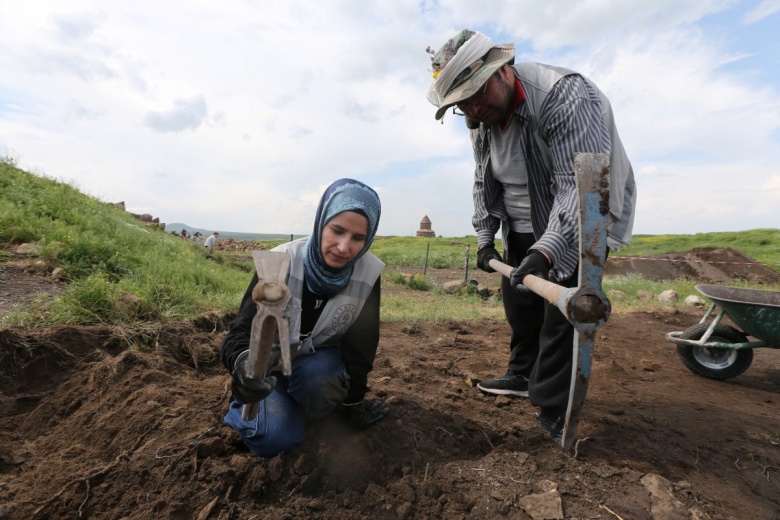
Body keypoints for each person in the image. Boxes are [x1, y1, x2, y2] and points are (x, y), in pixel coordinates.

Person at [425, 29, 637, 441]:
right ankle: (522, 374)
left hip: (582, 216)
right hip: (524, 221)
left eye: (475, 93)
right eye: (460, 104)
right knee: (520, 301)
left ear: (502, 70)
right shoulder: (479, 118)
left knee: (564, 314)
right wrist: (486, 236)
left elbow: (580, 189)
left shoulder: (565, 98)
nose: (470, 109)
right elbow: (483, 180)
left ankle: (555, 406)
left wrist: (547, 252)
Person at [220, 178, 389, 457]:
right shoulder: (279, 263)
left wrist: (352, 404)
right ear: (320, 222)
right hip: (268, 371)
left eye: (358, 238)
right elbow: (239, 334)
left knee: (320, 383)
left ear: (368, 239)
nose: (344, 247)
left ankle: (304, 406)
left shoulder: (368, 272)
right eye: (337, 230)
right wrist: (243, 366)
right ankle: (262, 409)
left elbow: (362, 346)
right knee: (274, 439)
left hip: (314, 367)